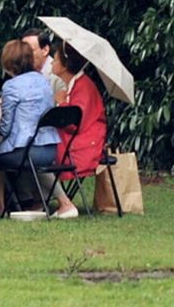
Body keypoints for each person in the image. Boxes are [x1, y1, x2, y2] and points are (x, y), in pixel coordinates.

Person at [0, 39, 62, 213]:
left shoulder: (11, 86)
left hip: (28, 151)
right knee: (14, 151)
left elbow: (6, 128)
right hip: (50, 149)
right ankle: (34, 201)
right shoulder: (43, 81)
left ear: (8, 62)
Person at [51, 40, 108, 219]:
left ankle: (49, 199)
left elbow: (74, 122)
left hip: (83, 145)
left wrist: (61, 103)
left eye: (55, 59)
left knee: (38, 148)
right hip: (77, 139)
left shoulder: (84, 86)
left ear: (65, 65)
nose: (52, 62)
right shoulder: (74, 84)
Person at [20, 26, 66, 96]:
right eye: (22, 51)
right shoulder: (23, 71)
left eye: (29, 50)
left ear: (45, 50)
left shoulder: (58, 75)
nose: (24, 55)